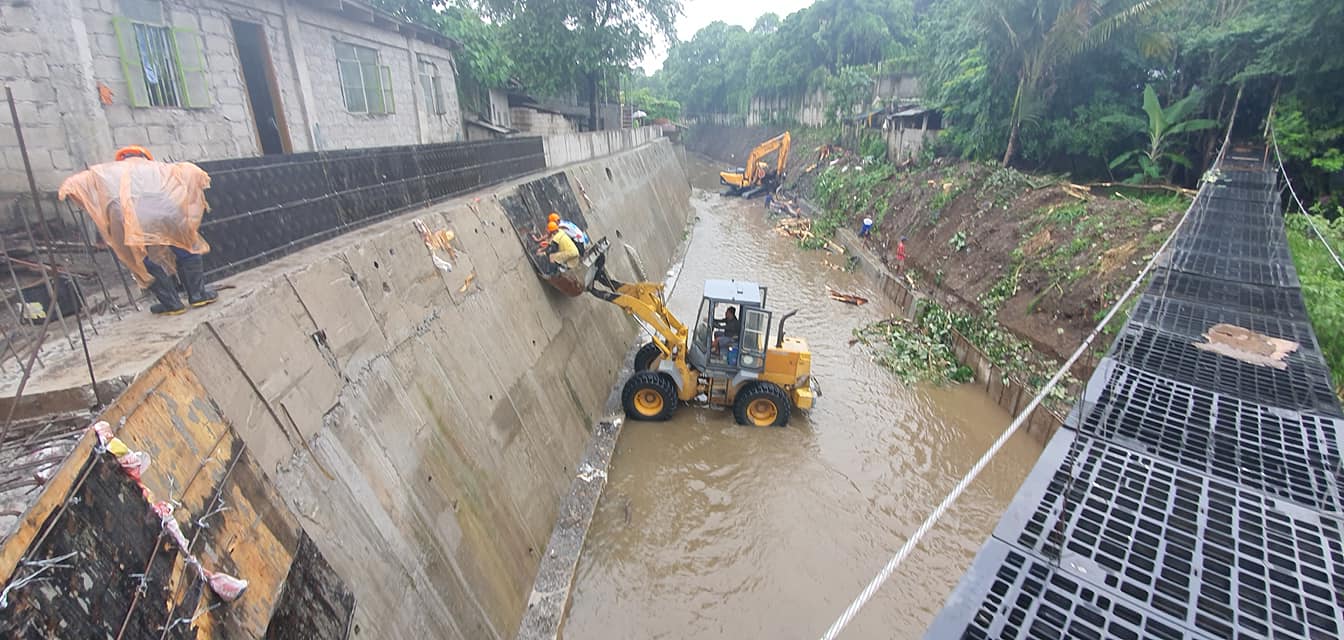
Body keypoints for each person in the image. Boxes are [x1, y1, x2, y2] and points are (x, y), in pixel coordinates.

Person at [59, 145, 217, 316]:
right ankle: (198, 295)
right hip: (166, 212)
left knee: (140, 258)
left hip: (128, 218)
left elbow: (73, 184)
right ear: (145, 156)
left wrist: (68, 193)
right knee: (185, 246)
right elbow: (193, 172)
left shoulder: (104, 171)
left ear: (120, 158)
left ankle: (172, 304)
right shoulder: (162, 168)